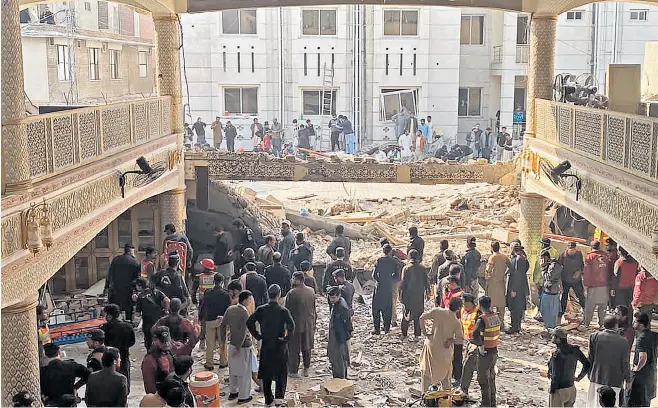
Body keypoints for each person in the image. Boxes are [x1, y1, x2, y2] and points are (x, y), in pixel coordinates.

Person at [247, 284, 295, 406]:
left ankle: (268, 399)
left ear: (268, 294)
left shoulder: (261, 309)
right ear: (279, 295)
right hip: (280, 346)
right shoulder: (283, 311)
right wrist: (286, 339)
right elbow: (291, 326)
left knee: (266, 374)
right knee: (281, 373)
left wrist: (257, 335)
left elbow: (249, 322)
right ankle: (279, 399)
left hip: (266, 345)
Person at [418, 292, 464, 393]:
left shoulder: (437, 311)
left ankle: (424, 395)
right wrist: (451, 340)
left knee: (427, 372)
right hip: (444, 351)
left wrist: (425, 332)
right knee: (446, 376)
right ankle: (446, 396)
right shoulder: (456, 321)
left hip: (431, 347)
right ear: (458, 308)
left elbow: (421, 318)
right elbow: (460, 339)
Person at [220, 290, 256, 404]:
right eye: (249, 299)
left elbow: (222, 325)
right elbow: (243, 332)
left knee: (233, 370)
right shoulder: (244, 312)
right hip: (243, 346)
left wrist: (222, 342)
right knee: (244, 372)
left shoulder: (230, 309)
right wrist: (238, 347)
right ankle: (243, 397)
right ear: (245, 300)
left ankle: (233, 392)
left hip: (231, 344)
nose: (250, 302)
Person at [587, 315, 631, 407]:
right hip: (615, 379)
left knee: (595, 403)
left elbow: (590, 357)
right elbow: (625, 362)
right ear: (616, 326)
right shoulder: (623, 341)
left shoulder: (594, 336)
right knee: (611, 404)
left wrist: (589, 373)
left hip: (597, 376)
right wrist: (628, 379)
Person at [547, 328, 591, 407]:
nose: (551, 337)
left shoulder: (557, 354)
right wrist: (579, 377)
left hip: (559, 390)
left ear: (558, 339)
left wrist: (552, 389)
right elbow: (587, 364)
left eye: (553, 335)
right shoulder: (575, 350)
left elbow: (555, 374)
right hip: (571, 388)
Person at [286, 271, 317, 377]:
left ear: (298, 280)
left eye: (293, 278)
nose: (292, 280)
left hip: (296, 325)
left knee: (294, 348)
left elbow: (287, 311)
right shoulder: (311, 291)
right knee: (307, 347)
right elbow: (314, 308)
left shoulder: (292, 293)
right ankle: (306, 368)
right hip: (309, 323)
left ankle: (293, 371)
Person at [471, 296, 500, 408]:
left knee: (483, 379)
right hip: (494, 351)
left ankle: (485, 404)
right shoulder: (495, 316)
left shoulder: (482, 319)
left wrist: (480, 345)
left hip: (485, 353)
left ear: (479, 305)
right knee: (491, 378)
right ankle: (493, 403)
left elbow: (475, 334)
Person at [201, 273, 231, 370]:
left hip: (210, 321)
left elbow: (203, 306)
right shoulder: (226, 294)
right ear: (222, 282)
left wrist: (201, 317)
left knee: (210, 343)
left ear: (214, 281)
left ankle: (209, 364)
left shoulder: (207, 292)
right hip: (222, 321)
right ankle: (223, 362)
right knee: (223, 342)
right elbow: (228, 309)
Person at [627, 312, 657, 407]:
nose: (633, 324)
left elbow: (643, 357)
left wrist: (637, 369)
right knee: (645, 403)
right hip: (651, 374)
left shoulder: (641, 338)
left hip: (640, 377)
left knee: (633, 402)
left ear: (641, 325)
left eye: (635, 322)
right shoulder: (654, 335)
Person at [101, 304, 135, 388]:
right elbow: (132, 342)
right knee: (125, 380)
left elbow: (104, 342)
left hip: (110, 359)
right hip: (124, 356)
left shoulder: (105, 328)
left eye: (105, 314)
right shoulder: (128, 326)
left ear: (109, 315)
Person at [105, 243, 140, 321]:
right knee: (129, 311)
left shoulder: (116, 260)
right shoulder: (134, 262)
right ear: (131, 251)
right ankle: (128, 326)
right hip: (128, 292)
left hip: (115, 291)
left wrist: (106, 287)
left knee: (114, 311)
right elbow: (136, 279)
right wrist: (136, 291)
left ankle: (112, 325)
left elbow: (109, 275)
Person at [400, 249, 430, 339]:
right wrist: (428, 293)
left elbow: (403, 283)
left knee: (406, 315)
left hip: (408, 296)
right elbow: (426, 282)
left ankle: (404, 334)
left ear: (409, 257)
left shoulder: (406, 268)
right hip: (419, 296)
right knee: (418, 315)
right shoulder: (422, 268)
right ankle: (417, 335)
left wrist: (401, 296)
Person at [134, 276, 170, 350]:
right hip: (159, 321)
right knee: (161, 339)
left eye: (136, 285)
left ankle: (151, 356)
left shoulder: (140, 297)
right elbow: (167, 300)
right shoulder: (157, 291)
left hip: (148, 323)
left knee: (149, 342)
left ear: (140, 286)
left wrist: (136, 302)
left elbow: (137, 314)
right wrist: (166, 310)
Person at [372, 244, 400, 334]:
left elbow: (374, 275)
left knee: (376, 308)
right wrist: (390, 281)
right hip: (388, 287)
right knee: (388, 308)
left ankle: (377, 329)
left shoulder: (379, 261)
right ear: (390, 252)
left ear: (383, 251)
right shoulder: (394, 261)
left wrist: (379, 280)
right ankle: (386, 328)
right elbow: (397, 275)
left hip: (379, 287)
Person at [583, 240, 611, 328]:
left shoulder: (590, 257)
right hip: (604, 285)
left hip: (593, 285)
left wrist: (585, 284)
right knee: (603, 306)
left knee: (590, 306)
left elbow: (587, 272)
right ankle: (602, 324)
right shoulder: (606, 256)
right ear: (599, 247)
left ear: (591, 247)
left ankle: (586, 323)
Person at [141, 326, 176, 394]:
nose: (166, 344)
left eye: (167, 341)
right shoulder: (149, 360)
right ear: (155, 340)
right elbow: (150, 388)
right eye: (162, 342)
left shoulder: (170, 353)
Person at [327, 286, 352, 378]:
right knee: (339, 357)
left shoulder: (341, 307)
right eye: (330, 298)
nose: (331, 300)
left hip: (339, 336)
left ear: (339, 296)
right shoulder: (338, 303)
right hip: (336, 334)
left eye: (333, 297)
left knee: (338, 358)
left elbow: (348, 322)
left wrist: (346, 335)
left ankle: (340, 378)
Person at [459, 293, 481, 398]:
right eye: (463, 305)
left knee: (468, 365)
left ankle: (463, 389)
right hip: (467, 341)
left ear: (472, 303)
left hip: (476, 343)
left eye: (466, 304)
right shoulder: (463, 310)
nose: (465, 307)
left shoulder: (478, 313)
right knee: (468, 364)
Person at [506, 241, 529, 334]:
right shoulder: (521, 258)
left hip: (517, 287)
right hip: (519, 286)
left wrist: (514, 289)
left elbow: (517, 275)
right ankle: (516, 325)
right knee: (517, 306)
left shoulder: (519, 259)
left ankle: (514, 326)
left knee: (515, 306)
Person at [558, 242, 586, 319]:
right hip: (565, 280)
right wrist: (560, 282)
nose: (572, 251)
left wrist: (579, 272)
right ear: (567, 248)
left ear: (575, 248)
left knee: (581, 296)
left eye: (573, 249)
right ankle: (561, 313)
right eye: (570, 249)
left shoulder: (579, 254)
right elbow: (558, 269)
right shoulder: (563, 256)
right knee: (564, 297)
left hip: (576, 281)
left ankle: (585, 311)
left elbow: (582, 265)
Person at [484, 241, 509, 325]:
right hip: (501, 283)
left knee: (491, 304)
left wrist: (487, 278)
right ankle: (501, 323)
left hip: (492, 284)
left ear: (491, 248)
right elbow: (511, 266)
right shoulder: (504, 257)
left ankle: (491, 324)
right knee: (501, 306)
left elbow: (488, 270)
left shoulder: (492, 257)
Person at [540, 250, 563, 331]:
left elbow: (548, 277)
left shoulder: (554, 266)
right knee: (545, 311)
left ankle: (551, 329)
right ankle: (549, 328)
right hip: (548, 291)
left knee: (550, 313)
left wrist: (543, 267)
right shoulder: (551, 265)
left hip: (551, 293)